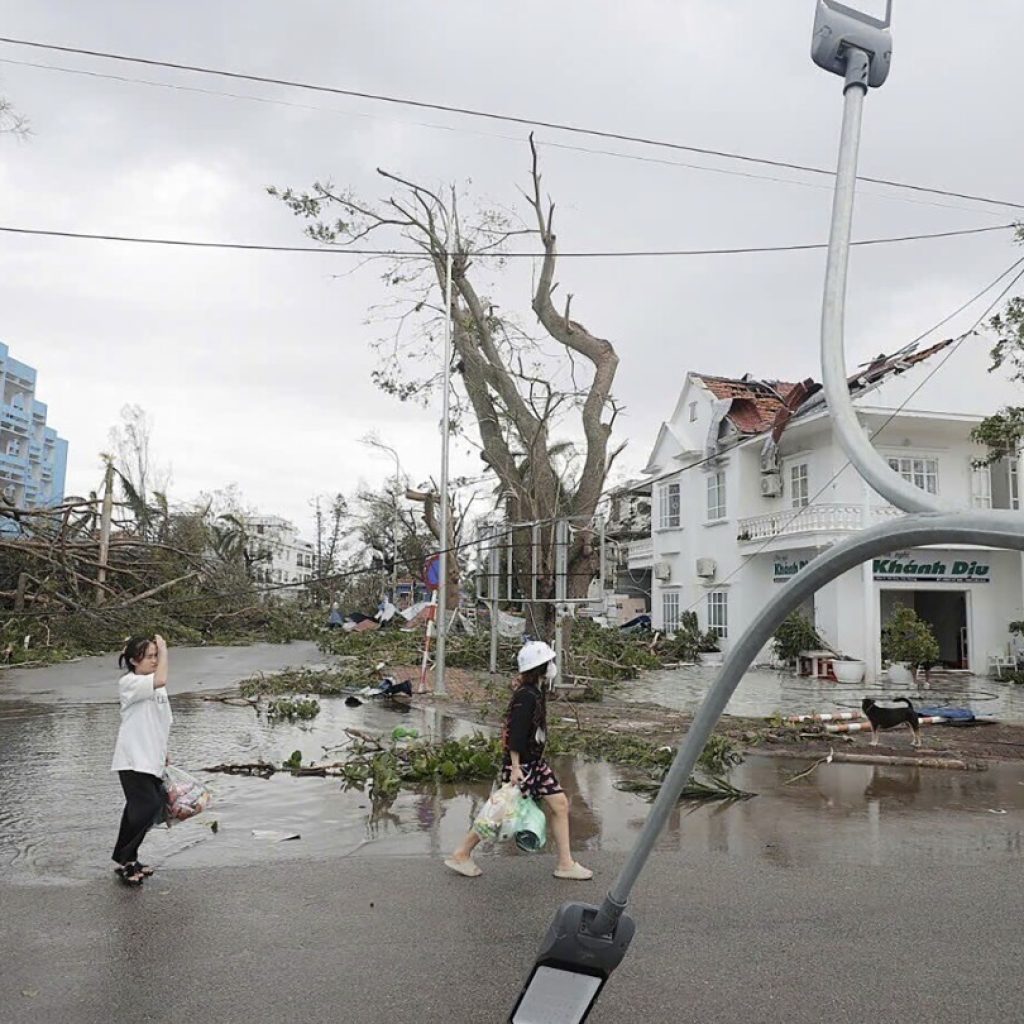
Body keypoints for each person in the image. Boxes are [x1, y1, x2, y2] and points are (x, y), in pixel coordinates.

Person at [444, 640, 592, 880]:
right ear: (541, 668)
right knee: (499, 812)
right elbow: (514, 734)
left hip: (534, 763)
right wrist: (514, 767)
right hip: (521, 766)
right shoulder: (526, 696)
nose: (553, 666)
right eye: (549, 662)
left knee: (560, 804)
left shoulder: (535, 692)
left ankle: (566, 863)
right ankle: (462, 853)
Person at [110, 634, 172, 887]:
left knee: (145, 809)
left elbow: (160, 721)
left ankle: (127, 858)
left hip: (150, 758)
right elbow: (162, 678)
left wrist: (164, 751)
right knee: (146, 808)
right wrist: (165, 648)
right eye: (150, 656)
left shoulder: (155, 686)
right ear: (135, 660)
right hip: (132, 760)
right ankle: (126, 862)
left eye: (157, 656)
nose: (155, 661)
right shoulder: (130, 682)